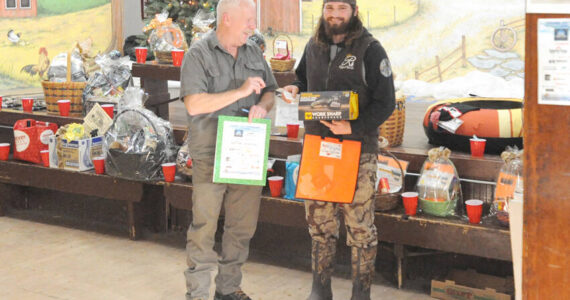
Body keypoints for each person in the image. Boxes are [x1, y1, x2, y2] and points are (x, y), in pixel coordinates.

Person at [283, 0, 395, 299]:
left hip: (358, 150)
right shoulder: (313, 45)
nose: (334, 14)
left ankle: (362, 293)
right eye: (329, 7)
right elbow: (302, 78)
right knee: (319, 224)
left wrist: (354, 127)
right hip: (319, 147)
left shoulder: (371, 50)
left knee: (360, 228)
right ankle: (320, 289)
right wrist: (295, 87)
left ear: (354, 11)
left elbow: (386, 102)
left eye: (341, 8)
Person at [179, 0, 277, 299]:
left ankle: (228, 288)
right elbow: (194, 104)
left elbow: (270, 90)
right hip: (210, 152)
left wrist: (261, 106)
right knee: (204, 227)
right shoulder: (198, 54)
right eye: (248, 20)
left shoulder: (253, 52)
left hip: (247, 151)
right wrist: (241, 91)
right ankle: (197, 294)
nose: (252, 26)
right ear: (227, 19)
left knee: (241, 226)